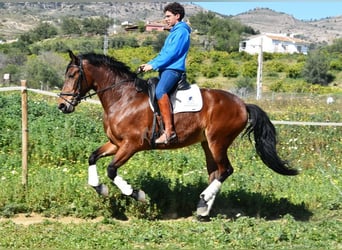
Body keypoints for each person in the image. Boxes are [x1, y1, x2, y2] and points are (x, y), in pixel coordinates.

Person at [140, 2, 191, 144]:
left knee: (160, 90)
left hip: (173, 70)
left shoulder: (181, 32)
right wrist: (149, 64)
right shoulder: (174, 32)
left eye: (168, 16)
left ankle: (169, 131)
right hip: (166, 69)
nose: (166, 19)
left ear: (177, 16)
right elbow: (164, 53)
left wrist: (154, 65)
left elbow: (172, 54)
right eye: (165, 17)